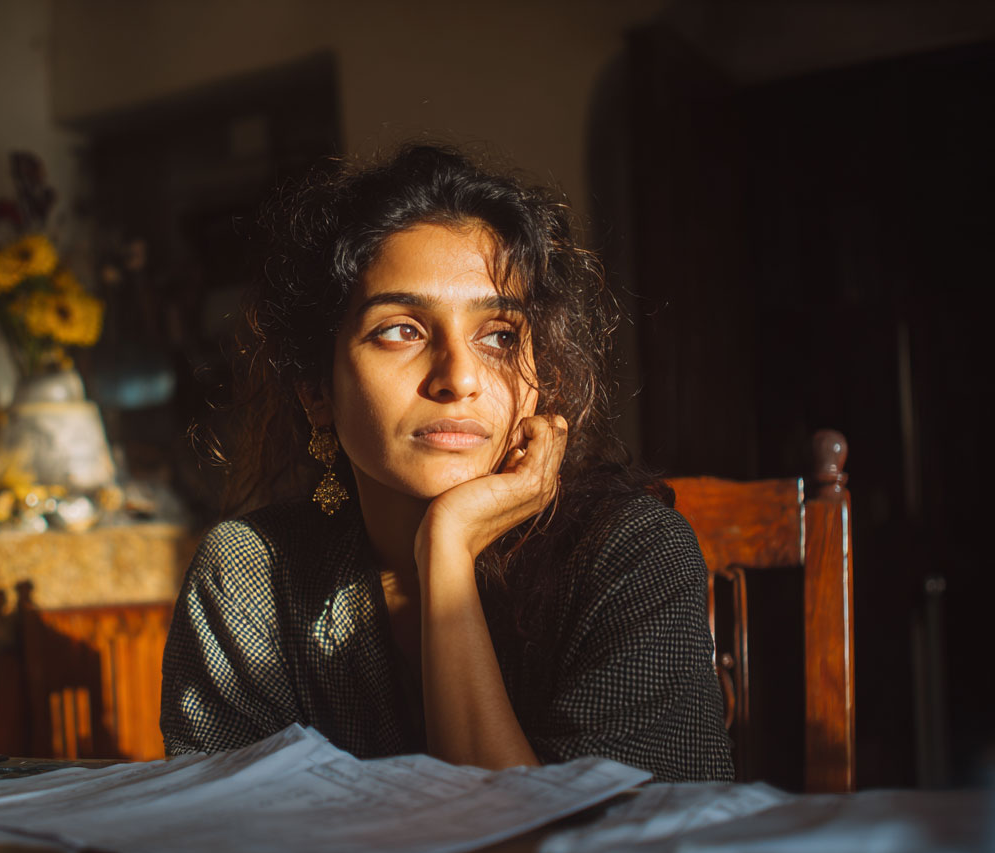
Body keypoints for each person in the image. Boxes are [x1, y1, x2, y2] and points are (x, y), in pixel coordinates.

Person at [160, 143, 733, 781]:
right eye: (401, 330)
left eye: (498, 337)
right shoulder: (252, 578)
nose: (459, 377)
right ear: (317, 391)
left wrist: (448, 547)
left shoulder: (630, 554)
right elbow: (230, 847)